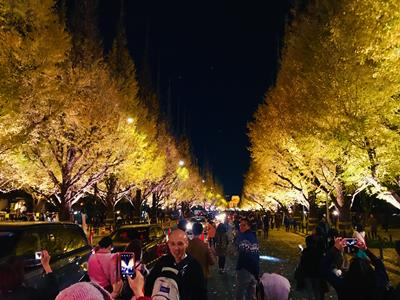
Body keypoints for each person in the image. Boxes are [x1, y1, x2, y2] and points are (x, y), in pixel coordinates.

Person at [144, 229, 206, 300]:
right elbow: (149, 285)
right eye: (172, 244)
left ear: (187, 244)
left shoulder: (195, 266)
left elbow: (201, 294)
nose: (176, 248)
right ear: (168, 244)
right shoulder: (162, 262)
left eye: (180, 244)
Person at [321, 237, 390, 300]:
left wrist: (335, 249)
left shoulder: (343, 285)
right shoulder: (379, 280)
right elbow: (379, 264)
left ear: (350, 271)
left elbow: (323, 268)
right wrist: (366, 250)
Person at [236, 217, 260, 300]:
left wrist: (239, 268)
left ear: (248, 226)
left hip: (245, 269)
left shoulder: (244, 238)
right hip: (254, 269)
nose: (241, 227)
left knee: (241, 291)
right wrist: (256, 271)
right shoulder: (254, 237)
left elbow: (243, 255)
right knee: (251, 293)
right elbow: (256, 255)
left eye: (244, 225)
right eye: (240, 225)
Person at [187, 222, 215, 290]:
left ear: (192, 231)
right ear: (202, 231)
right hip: (202, 275)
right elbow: (212, 262)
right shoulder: (205, 246)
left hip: (190, 274)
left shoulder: (187, 245)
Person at [298, 235, 324, 300]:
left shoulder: (306, 251)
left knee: (310, 291)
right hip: (317, 273)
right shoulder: (319, 251)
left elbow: (302, 263)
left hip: (307, 273)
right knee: (317, 290)